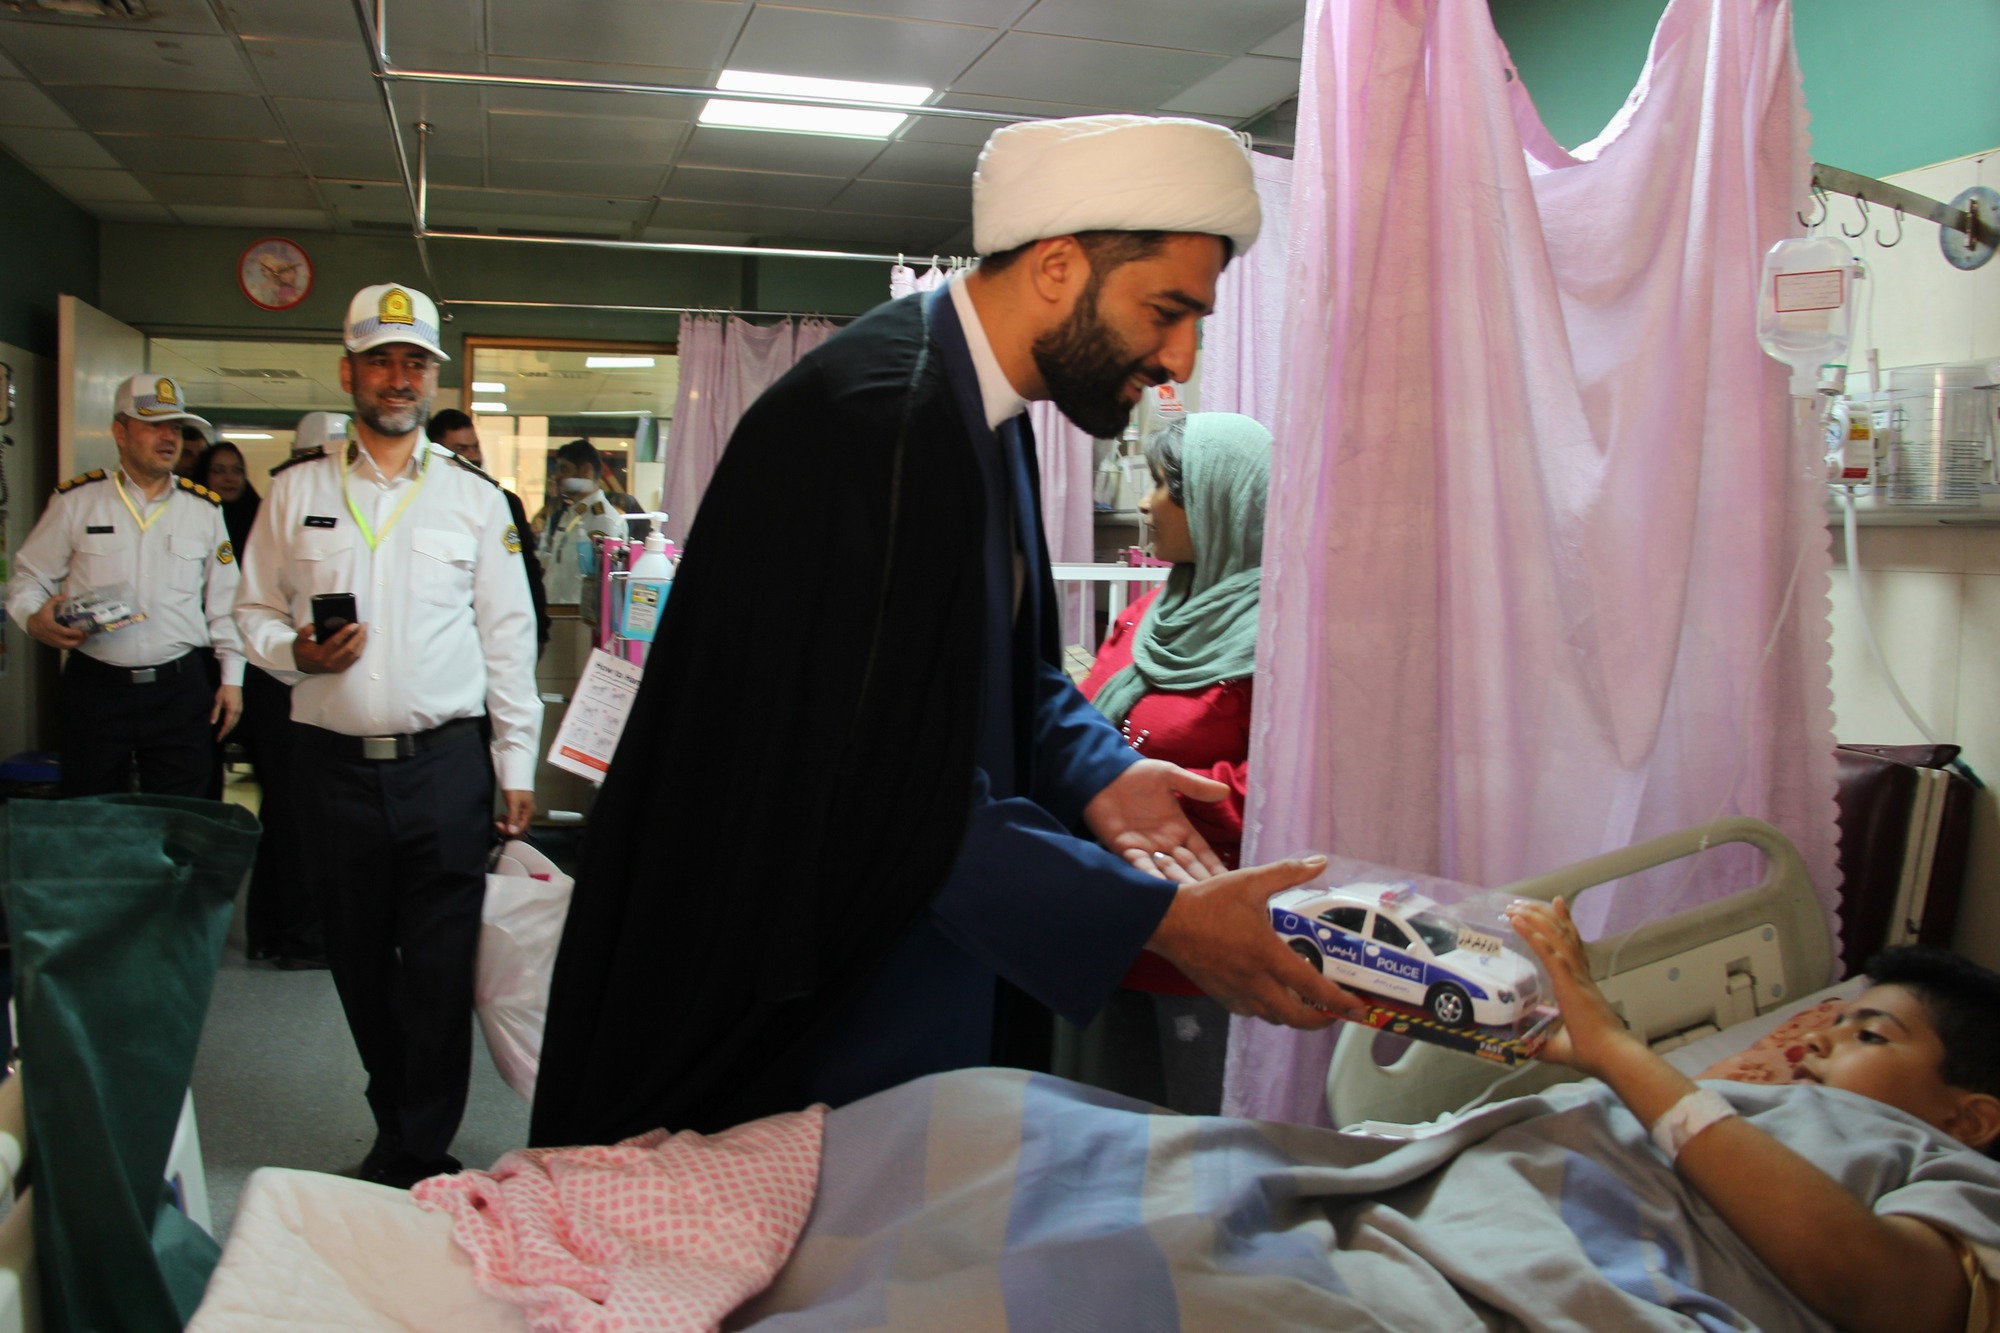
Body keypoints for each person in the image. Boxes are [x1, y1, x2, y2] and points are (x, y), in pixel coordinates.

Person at [531, 115, 1367, 1148]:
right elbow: (865, 784)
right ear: (1057, 269)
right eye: (1166, 311)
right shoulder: (880, 421)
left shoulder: (980, 408)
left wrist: (1102, 772)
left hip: (918, 939)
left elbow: (995, 668)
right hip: (804, 988)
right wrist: (1157, 922)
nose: (1178, 359)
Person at [235, 283, 540, 1188]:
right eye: (380, 360)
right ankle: (394, 1113)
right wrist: (294, 653)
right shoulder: (294, 493)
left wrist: (514, 761)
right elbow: (249, 610)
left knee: (440, 969)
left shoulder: (475, 500)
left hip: (443, 765)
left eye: (414, 362)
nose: (398, 378)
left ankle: (419, 1146)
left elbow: (507, 637)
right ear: (350, 373)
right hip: (330, 769)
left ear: (431, 377)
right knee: (358, 959)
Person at [1511, 903, 2000, 1332]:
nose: (1812, 1039)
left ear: (1969, 1121)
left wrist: (1614, 1052)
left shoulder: (1959, 1182)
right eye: (1832, 1023)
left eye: (1870, 1036)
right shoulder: (1747, 1101)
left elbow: (1860, 1281)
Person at [1077, 411, 1271, 1112]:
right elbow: (1085, 723)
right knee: (1112, 1135)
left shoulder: (1278, 636)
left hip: (1208, 948)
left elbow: (1281, 789)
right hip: (1116, 928)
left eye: (1163, 485)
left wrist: (1146, 795)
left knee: (1202, 1142)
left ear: (1220, 504)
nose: (1144, 501)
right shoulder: (1149, 615)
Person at [6, 374, 243, 796]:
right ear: (120, 432)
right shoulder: (77, 502)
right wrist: (33, 618)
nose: (169, 437)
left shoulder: (203, 510)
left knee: (180, 815)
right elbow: (28, 576)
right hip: (97, 686)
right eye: (154, 425)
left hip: (179, 688)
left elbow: (226, 603)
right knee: (92, 811)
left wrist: (232, 679)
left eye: (176, 427)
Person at [193, 438, 323, 969]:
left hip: (310, 682)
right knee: (289, 810)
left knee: (297, 810)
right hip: (271, 677)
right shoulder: (280, 511)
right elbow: (249, 608)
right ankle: (288, 932)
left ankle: (284, 930)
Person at [426, 408, 550, 655]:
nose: (473, 456)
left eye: (475, 447)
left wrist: (540, 631)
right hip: (443, 644)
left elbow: (527, 572)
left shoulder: (502, 501)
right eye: (462, 449)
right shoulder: (424, 505)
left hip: (496, 638)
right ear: (438, 453)